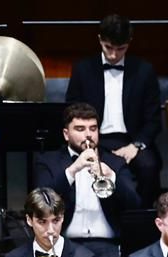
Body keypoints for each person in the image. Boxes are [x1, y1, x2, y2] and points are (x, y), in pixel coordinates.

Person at [32, 102, 138, 257]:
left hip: (106, 244)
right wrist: (73, 170)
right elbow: (41, 201)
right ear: (66, 134)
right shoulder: (48, 161)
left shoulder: (114, 161)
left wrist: (111, 176)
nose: (88, 135)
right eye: (80, 129)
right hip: (66, 243)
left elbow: (134, 203)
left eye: (93, 129)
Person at [63, 14, 162, 205]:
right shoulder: (83, 69)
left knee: (149, 166)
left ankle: (142, 222)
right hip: (94, 138)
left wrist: (136, 146)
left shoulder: (144, 71)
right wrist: (87, 141)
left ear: (129, 43)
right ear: (100, 39)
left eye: (121, 49)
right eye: (109, 47)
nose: (114, 55)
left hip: (132, 139)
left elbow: (154, 120)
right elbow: (72, 110)